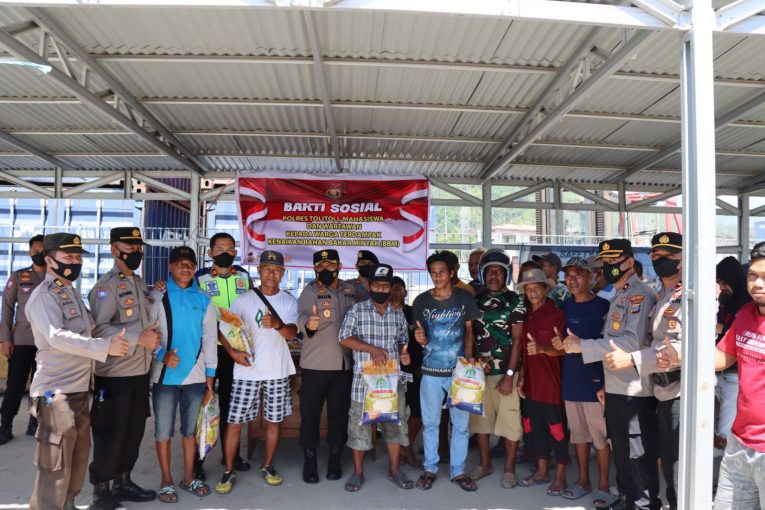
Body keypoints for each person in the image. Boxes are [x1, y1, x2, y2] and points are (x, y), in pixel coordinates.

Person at [26, 232, 130, 510]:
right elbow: (57, 337)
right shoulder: (44, 296)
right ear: (49, 260)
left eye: (78, 257)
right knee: (56, 465)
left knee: (78, 456)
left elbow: (90, 330)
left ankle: (69, 504)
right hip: (56, 391)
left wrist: (131, 337)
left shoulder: (69, 293)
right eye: (68, 257)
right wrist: (106, 346)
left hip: (80, 389)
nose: (75, 262)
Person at [663, 241, 765, 509]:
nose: (758, 284)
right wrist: (683, 355)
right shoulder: (745, 314)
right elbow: (722, 358)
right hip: (740, 442)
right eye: (753, 275)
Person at [563, 239, 660, 510]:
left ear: (629, 262)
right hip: (616, 386)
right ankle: (628, 499)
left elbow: (631, 341)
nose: (608, 267)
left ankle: (643, 504)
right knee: (621, 448)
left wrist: (582, 346)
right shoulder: (619, 295)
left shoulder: (639, 295)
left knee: (636, 452)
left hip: (634, 389)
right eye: (604, 263)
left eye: (613, 262)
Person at [607, 233, 683, 510]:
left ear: (683, 259)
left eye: (669, 256)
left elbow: (675, 347)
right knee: (664, 459)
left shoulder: (690, 294)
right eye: (656, 256)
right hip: (661, 389)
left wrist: (631, 359)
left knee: (675, 464)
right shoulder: (662, 295)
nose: (662, 261)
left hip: (681, 389)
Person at [87, 227, 161, 509]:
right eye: (130, 249)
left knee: (133, 431)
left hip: (140, 371)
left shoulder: (139, 283)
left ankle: (123, 482)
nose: (136, 253)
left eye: (139, 248)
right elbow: (98, 329)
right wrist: (138, 339)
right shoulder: (106, 287)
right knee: (110, 433)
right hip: (115, 375)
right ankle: (101, 492)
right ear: (114, 250)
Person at [216, 250, 298, 494]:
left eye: (276, 269)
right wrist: (232, 353)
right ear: (259, 271)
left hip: (276, 370)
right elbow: (223, 328)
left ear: (283, 273)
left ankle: (267, 465)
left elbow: (292, 334)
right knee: (234, 423)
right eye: (267, 269)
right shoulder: (244, 300)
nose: (271, 273)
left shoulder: (288, 301)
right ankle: (229, 470)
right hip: (247, 371)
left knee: (274, 421)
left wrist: (278, 324)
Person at [150, 246, 217, 503]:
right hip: (164, 377)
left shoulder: (204, 299)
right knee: (163, 432)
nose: (185, 268)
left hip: (196, 378)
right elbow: (147, 334)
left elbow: (210, 338)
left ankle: (189, 478)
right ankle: (166, 481)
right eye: (180, 264)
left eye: (189, 264)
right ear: (170, 267)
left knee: (190, 432)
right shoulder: (157, 296)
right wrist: (161, 354)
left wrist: (210, 374)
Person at [339, 263, 414, 492]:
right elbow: (344, 337)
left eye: (385, 285)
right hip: (364, 381)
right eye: (376, 284)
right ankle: (358, 473)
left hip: (392, 381)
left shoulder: (397, 314)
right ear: (370, 286)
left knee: (394, 426)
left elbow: (402, 341)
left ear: (391, 288)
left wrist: (404, 353)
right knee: (359, 426)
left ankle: (394, 470)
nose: (381, 288)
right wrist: (372, 350)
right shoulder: (357, 310)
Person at [412, 251, 480, 492]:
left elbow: (469, 330)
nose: (437, 276)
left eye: (442, 272)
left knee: (460, 425)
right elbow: (421, 337)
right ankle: (430, 469)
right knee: (431, 423)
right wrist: (420, 339)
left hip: (458, 373)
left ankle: (458, 471)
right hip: (431, 372)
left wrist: (467, 361)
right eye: (433, 272)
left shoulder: (464, 298)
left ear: (452, 272)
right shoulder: (421, 301)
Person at [554, 257, 613, 507]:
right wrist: (557, 344)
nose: (572, 280)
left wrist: (606, 383)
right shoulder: (564, 307)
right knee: (578, 435)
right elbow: (559, 343)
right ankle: (583, 481)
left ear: (592, 277)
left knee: (600, 437)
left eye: (578, 275)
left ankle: (604, 485)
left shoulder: (604, 307)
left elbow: (612, 345)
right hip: (571, 380)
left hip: (596, 382)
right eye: (568, 276)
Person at [195, 232, 253, 475]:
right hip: (208, 349)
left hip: (236, 351)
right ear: (210, 253)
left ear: (235, 252)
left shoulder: (244, 276)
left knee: (232, 405)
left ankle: (231, 456)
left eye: (230, 249)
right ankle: (197, 462)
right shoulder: (200, 277)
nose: (225, 253)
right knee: (203, 404)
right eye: (219, 249)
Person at [468, 249, 526, 489]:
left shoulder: (516, 300)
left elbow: (518, 341)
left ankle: (510, 469)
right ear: (482, 274)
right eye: (489, 271)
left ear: (507, 275)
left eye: (499, 272)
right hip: (480, 373)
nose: (494, 276)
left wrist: (510, 375)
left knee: (511, 422)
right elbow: (470, 334)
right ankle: (485, 464)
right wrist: (472, 365)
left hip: (506, 373)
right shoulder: (474, 300)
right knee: (480, 422)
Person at [297, 249, 355, 483]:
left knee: (338, 416)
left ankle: (334, 460)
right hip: (315, 365)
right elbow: (300, 316)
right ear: (314, 269)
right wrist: (308, 324)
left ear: (339, 266)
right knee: (310, 416)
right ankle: (309, 461)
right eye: (320, 266)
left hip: (343, 366)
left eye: (330, 265)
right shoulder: (309, 291)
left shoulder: (351, 291)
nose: (325, 269)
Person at [516, 268, 569, 495]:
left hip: (551, 383)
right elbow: (525, 353)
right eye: (528, 289)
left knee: (557, 430)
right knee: (535, 428)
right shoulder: (527, 315)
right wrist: (522, 377)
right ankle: (542, 471)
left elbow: (565, 349)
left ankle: (560, 477)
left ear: (546, 288)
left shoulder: (557, 314)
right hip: (531, 384)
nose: (532, 293)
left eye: (536, 288)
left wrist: (543, 349)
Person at [0, 234, 46, 444]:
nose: (39, 254)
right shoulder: (19, 276)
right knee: (15, 386)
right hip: (22, 341)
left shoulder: (55, 278)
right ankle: (5, 426)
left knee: (41, 385)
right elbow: (7, 308)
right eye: (36, 251)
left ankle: (34, 422)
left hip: (46, 343)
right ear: (29, 253)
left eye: (43, 251)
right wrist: (5, 339)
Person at [715, 256, 749, 450]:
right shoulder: (726, 299)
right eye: (718, 283)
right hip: (720, 371)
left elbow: (738, 332)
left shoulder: (746, 303)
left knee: (725, 432)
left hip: (735, 374)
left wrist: (716, 326)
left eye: (724, 282)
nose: (722, 287)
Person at [390, 276, 424, 468]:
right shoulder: (383, 313)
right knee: (395, 414)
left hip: (415, 372)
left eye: (398, 288)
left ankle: (407, 447)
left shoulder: (414, 312)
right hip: (391, 373)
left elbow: (425, 339)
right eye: (391, 288)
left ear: (405, 292)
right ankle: (400, 452)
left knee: (418, 413)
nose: (395, 292)